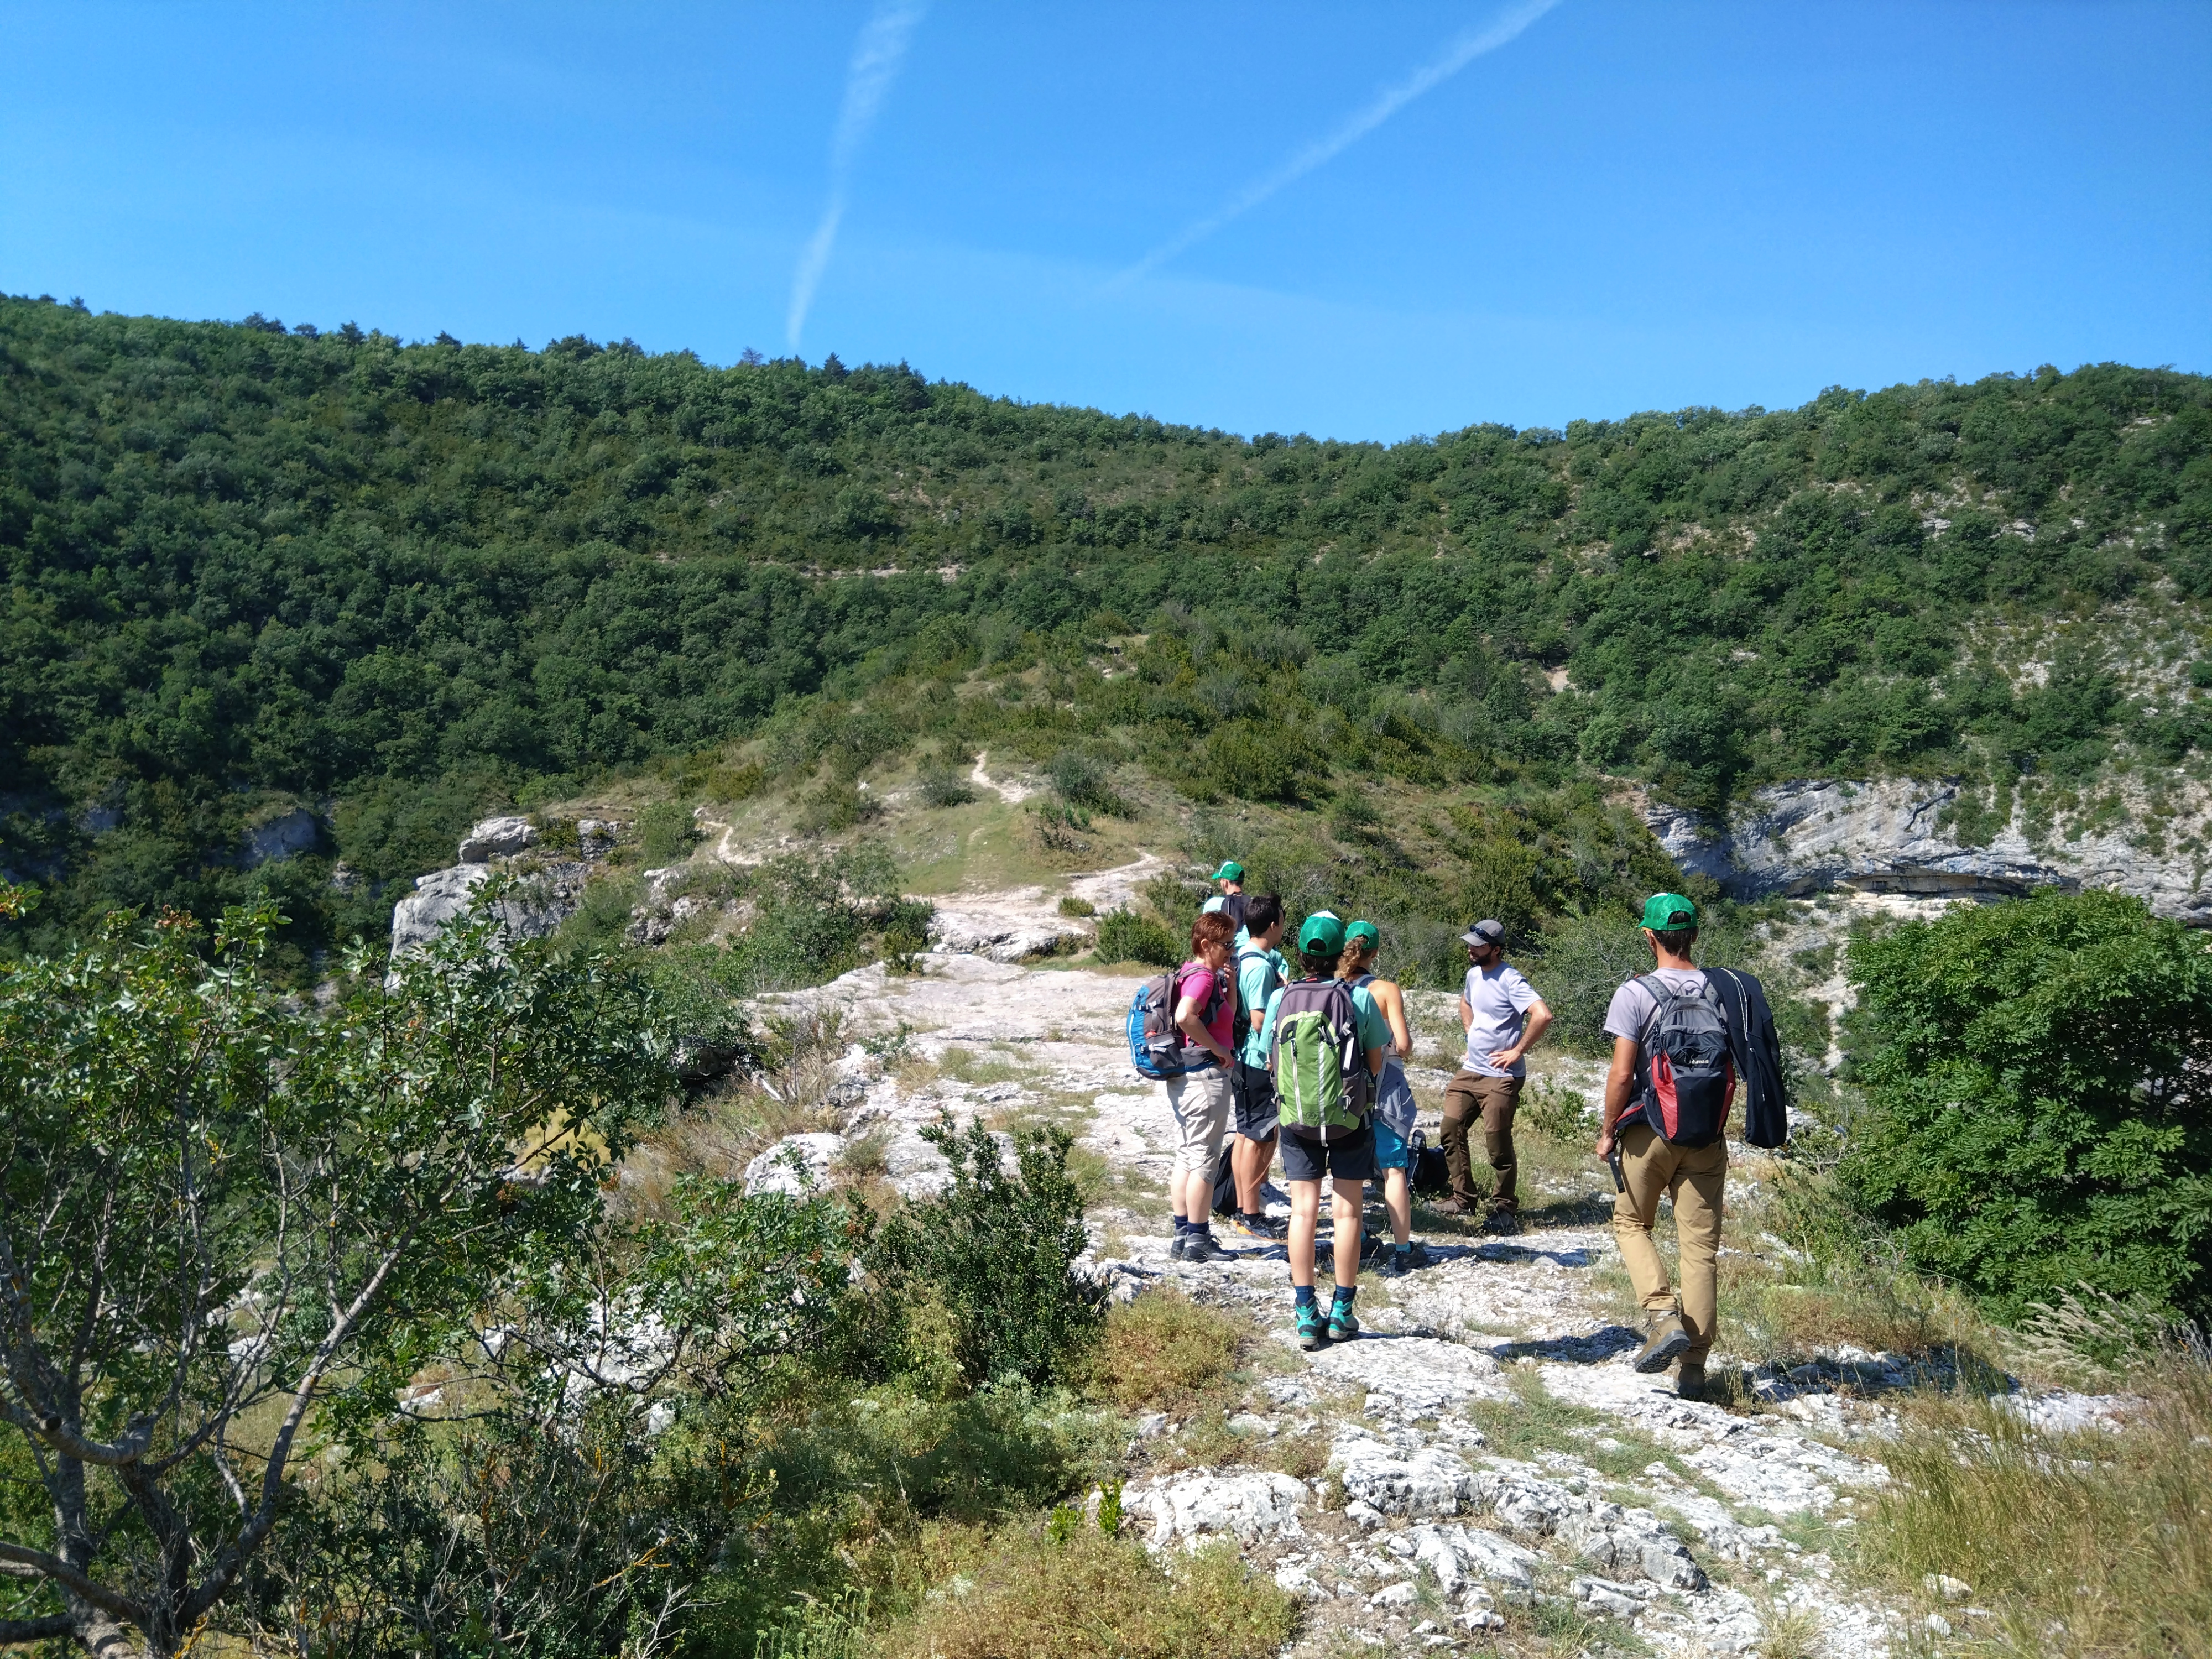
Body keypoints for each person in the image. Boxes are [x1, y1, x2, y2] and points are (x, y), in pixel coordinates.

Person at [1594, 893, 1751, 1401]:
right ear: (1696, 936)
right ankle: (1694, 1371)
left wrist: (1607, 1129)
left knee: (1631, 1222)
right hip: (1707, 1136)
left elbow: (1622, 1073)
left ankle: (1662, 1317)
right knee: (1700, 1250)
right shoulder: (1723, 990)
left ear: (1649, 936)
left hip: (1651, 1131)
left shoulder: (1636, 993)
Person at [1260, 914, 1390, 1349]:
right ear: (1340, 955)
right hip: (1349, 1118)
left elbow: (1268, 1057)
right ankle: (1342, 1313)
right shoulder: (1359, 997)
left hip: (1296, 1118)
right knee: (1348, 1214)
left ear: (1300, 953)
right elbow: (1377, 1059)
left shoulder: (1282, 998)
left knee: (1302, 1213)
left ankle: (1304, 1314)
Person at [1439, 919, 1553, 1227]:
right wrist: (1470, 1032)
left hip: (1502, 1077)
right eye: (1470, 944)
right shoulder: (1473, 975)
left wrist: (1517, 1052)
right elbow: (1466, 1003)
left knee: (1497, 1142)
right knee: (1450, 1129)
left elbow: (1542, 1014)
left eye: (1477, 945)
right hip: (1470, 1070)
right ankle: (1463, 1199)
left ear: (1496, 949)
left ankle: (1504, 1209)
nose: (1470, 949)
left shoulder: (1510, 979)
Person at [1340, 922, 1427, 1277]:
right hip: (1383, 1083)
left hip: (1343, 1087)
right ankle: (1404, 1250)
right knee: (1394, 1168)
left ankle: (1356, 1238)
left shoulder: (1334, 986)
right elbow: (1403, 1045)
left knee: (1349, 1169)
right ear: (1375, 952)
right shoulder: (1385, 989)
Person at [1165, 910, 1239, 1264]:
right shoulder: (1203, 979)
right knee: (1205, 1159)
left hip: (1185, 1075)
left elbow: (1226, 1014)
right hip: (1205, 1078)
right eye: (1225, 945)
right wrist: (1218, 1048)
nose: (1230, 950)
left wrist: (1232, 983)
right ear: (1206, 945)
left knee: (1187, 1153)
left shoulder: (1192, 973)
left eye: (1233, 943)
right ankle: (1199, 1238)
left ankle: (1183, 1234)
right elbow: (1184, 1017)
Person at [1226, 893, 1289, 1241]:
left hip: (1241, 1060)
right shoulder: (1261, 966)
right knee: (1259, 1137)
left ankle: (1242, 1208)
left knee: (1244, 1134)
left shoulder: (1242, 957)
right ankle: (1252, 1213)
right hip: (1257, 1061)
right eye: (1281, 919)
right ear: (1273, 925)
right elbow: (1260, 1021)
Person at [1200, 861, 1249, 937]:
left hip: (1228, 948)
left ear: (1225, 882)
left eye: (1221, 880)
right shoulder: (1254, 903)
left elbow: (1203, 932)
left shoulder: (1213, 904)